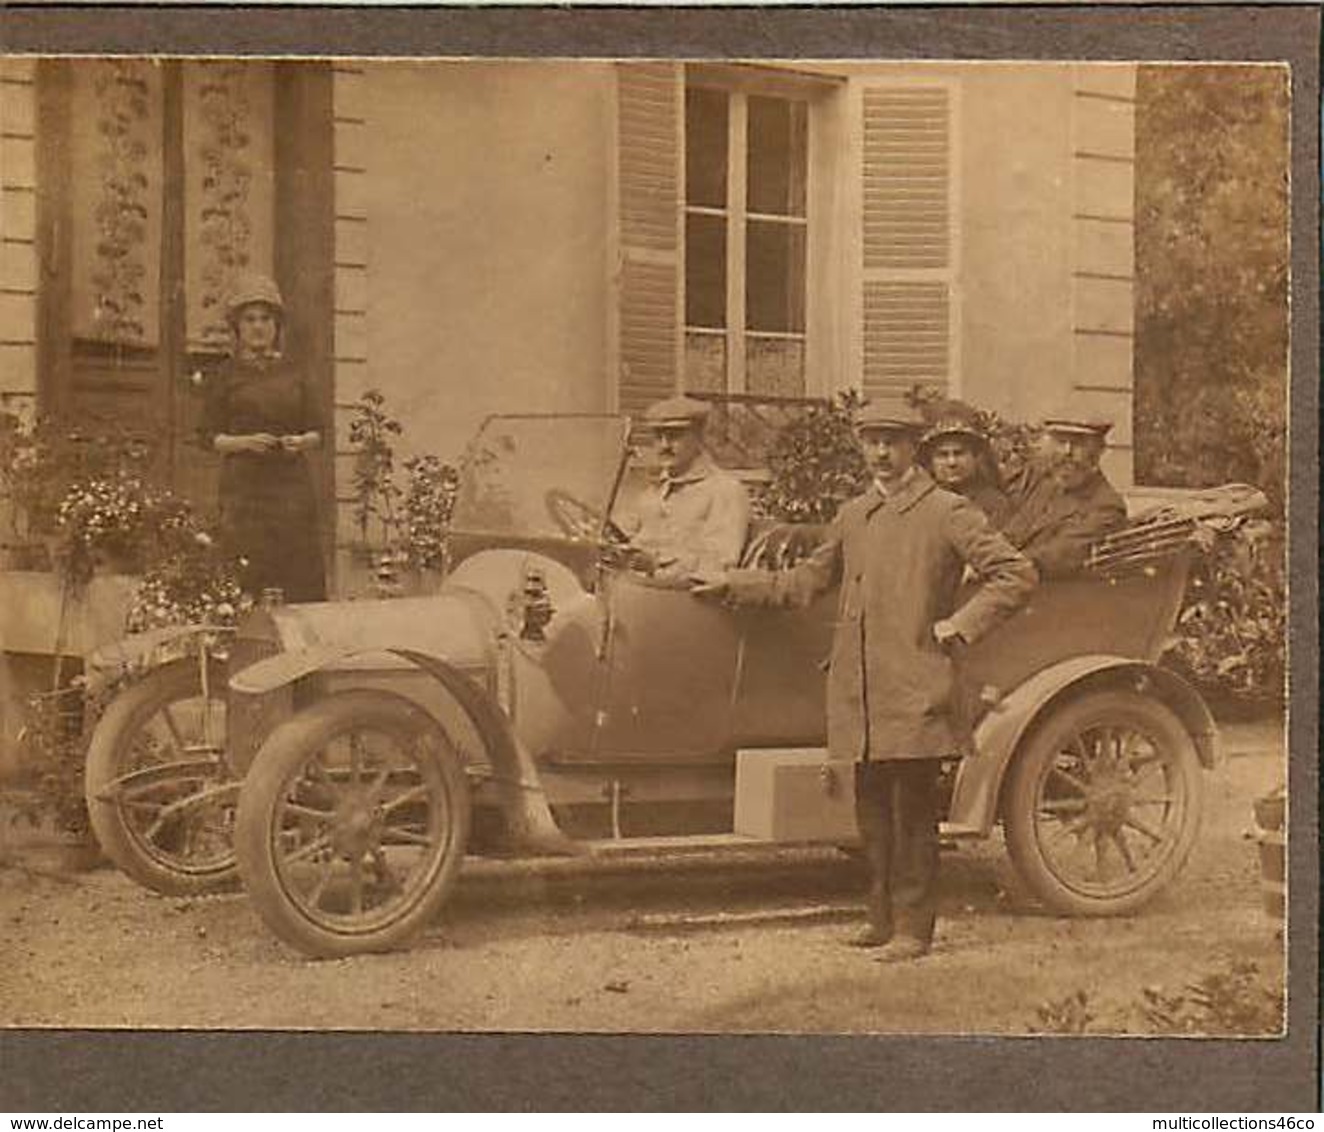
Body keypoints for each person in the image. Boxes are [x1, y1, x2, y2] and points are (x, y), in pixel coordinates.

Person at [694, 403, 1036, 962]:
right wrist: (733, 583)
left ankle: (914, 929)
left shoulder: (948, 511)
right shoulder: (854, 514)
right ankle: (880, 920)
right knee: (871, 817)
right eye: (872, 441)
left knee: (913, 815)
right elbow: (808, 580)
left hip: (916, 684)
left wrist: (961, 625)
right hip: (862, 690)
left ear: (912, 448)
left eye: (893, 442)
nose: (881, 452)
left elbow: (1016, 573)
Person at [198, 272, 327, 603]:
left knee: (296, 570)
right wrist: (245, 442)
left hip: (291, 490)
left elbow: (318, 430)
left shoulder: (295, 372)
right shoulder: (225, 376)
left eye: (266, 319)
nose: (258, 327)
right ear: (238, 327)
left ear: (277, 326)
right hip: (245, 491)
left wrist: (300, 443)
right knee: (247, 571)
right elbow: (206, 437)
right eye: (250, 319)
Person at [629, 394, 752, 579]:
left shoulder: (726, 491)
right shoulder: (652, 492)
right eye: (658, 436)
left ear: (699, 437)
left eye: (674, 436)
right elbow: (625, 536)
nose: (664, 445)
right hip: (636, 590)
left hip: (684, 599)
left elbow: (719, 562)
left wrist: (656, 563)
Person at [1000, 412, 1128, 578]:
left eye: (1078, 444)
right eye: (1061, 442)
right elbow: (1012, 534)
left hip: (1054, 595)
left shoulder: (1107, 507)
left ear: (1097, 453)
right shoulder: (1046, 488)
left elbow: (1059, 555)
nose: (1067, 452)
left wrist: (1000, 565)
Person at [917, 400, 1011, 527]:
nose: (952, 462)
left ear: (975, 457)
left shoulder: (993, 505)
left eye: (959, 453)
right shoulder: (920, 504)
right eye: (943, 455)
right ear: (930, 462)